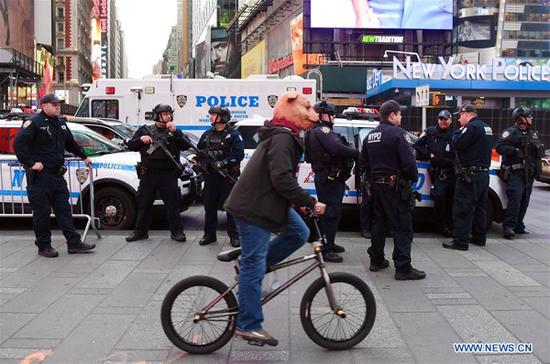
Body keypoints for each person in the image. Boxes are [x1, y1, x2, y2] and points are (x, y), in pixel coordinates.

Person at [225, 91, 326, 346]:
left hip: (267, 203)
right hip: (254, 209)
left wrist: (298, 204)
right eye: (307, 107)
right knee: (253, 264)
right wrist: (310, 202)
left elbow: (278, 178)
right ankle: (248, 324)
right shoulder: (283, 138)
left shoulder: (285, 135)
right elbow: (282, 178)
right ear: (292, 108)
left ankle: (254, 267)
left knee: (299, 233)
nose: (312, 113)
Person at [13, 93, 96, 258]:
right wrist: (30, 163)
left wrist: (84, 156)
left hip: (57, 175)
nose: (58, 106)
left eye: (59, 104)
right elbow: (18, 144)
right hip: (40, 177)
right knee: (42, 213)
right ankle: (44, 246)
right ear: (44, 106)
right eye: (54, 104)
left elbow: (71, 143)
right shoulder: (34, 123)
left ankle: (74, 243)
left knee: (64, 210)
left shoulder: (60, 123)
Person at [359, 100, 426, 280]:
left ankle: (377, 259)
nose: (401, 117)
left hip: (376, 187)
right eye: (399, 114)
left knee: (379, 223)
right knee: (402, 226)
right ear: (392, 115)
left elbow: (362, 164)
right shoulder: (399, 134)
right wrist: (411, 180)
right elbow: (409, 163)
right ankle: (403, 268)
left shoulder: (370, 136)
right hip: (394, 187)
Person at [125, 103, 193, 243]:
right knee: (144, 203)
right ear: (157, 115)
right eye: (165, 114)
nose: (168, 116)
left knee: (173, 204)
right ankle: (140, 232)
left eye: (169, 113)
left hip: (168, 174)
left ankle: (177, 232)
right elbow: (131, 145)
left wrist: (175, 133)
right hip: (149, 174)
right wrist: (140, 140)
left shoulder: (174, 131)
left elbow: (186, 145)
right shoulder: (145, 130)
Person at [305, 101, 359, 263]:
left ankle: (330, 242)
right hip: (329, 179)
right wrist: (356, 152)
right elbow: (337, 149)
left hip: (330, 178)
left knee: (331, 212)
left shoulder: (318, 131)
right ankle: (326, 249)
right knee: (330, 213)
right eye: (332, 113)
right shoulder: (322, 130)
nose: (334, 116)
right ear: (322, 114)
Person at [443, 104, 493, 251]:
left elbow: (457, 144)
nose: (458, 120)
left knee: (462, 208)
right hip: (483, 174)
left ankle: (460, 242)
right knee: (480, 208)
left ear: (466, 114)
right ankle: (479, 237)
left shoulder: (470, 128)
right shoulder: (486, 127)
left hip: (469, 175)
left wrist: (457, 133)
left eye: (460, 116)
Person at [197, 106, 244, 247]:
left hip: (227, 177)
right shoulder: (207, 134)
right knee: (209, 207)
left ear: (222, 117)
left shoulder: (234, 135)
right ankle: (209, 235)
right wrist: (201, 163)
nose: (211, 117)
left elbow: (238, 155)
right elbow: (200, 151)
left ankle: (234, 236)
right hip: (211, 177)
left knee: (230, 208)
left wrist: (223, 163)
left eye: (214, 115)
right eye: (211, 115)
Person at [496, 107, 545, 239]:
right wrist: (515, 151)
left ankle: (518, 225)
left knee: (525, 200)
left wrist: (538, 168)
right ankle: (508, 227)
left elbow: (537, 153)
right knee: (515, 200)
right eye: (529, 116)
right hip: (516, 173)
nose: (531, 118)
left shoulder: (533, 133)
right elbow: (500, 147)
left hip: (529, 173)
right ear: (521, 117)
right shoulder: (511, 132)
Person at [413, 110, 455, 237]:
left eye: (445, 119)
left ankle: (451, 226)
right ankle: (441, 226)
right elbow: (417, 145)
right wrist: (428, 154)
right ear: (438, 120)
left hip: (453, 172)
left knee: (452, 201)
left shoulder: (455, 133)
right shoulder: (430, 132)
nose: (443, 121)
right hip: (439, 173)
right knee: (440, 200)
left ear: (450, 120)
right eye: (441, 119)